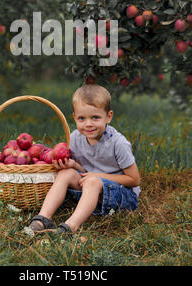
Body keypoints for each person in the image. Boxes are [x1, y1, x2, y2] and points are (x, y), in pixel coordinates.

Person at [28, 84, 140, 234]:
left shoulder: (118, 143)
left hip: (122, 195)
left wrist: (98, 177)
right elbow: (86, 173)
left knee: (93, 181)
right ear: (74, 117)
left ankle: (69, 227)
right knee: (66, 173)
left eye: (95, 117)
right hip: (91, 189)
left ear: (108, 116)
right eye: (82, 118)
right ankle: (43, 218)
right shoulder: (75, 137)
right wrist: (74, 165)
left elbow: (134, 179)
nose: (88, 124)